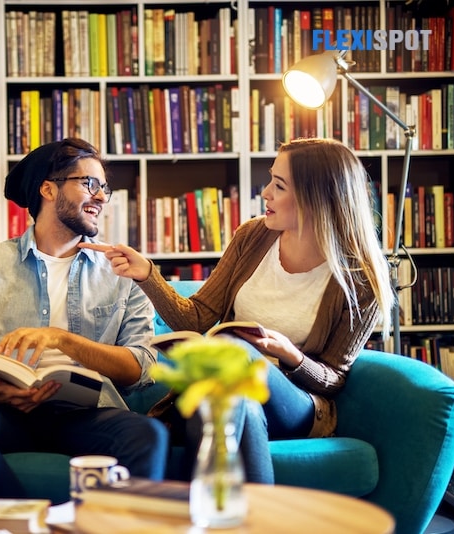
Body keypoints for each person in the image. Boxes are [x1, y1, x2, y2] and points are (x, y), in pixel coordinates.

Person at [81, 137, 394, 481]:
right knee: (232, 400)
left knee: (235, 352)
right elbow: (195, 317)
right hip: (229, 391)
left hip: (297, 404)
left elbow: (334, 379)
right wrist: (147, 275)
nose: (266, 194)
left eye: (279, 185)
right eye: (271, 180)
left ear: (315, 197)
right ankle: (238, 518)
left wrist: (290, 354)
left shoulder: (359, 279)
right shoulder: (252, 237)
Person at [0, 138, 169, 497]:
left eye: (104, 188)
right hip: (2, 413)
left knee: (148, 434)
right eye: (90, 184)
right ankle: (14, 519)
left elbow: (141, 367)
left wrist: (63, 340)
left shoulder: (122, 270)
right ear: (48, 189)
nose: (101, 197)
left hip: (85, 415)